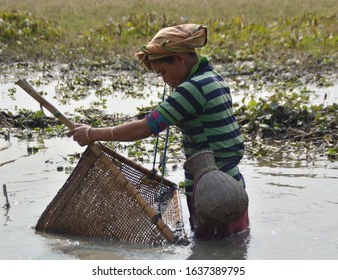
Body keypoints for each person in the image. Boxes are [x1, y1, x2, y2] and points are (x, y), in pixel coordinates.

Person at [67, 24, 249, 240]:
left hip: (211, 192)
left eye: (163, 72)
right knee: (234, 245)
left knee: (212, 248)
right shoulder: (212, 78)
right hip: (233, 185)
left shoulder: (192, 89)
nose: (164, 80)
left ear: (180, 59)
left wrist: (92, 134)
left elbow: (146, 127)